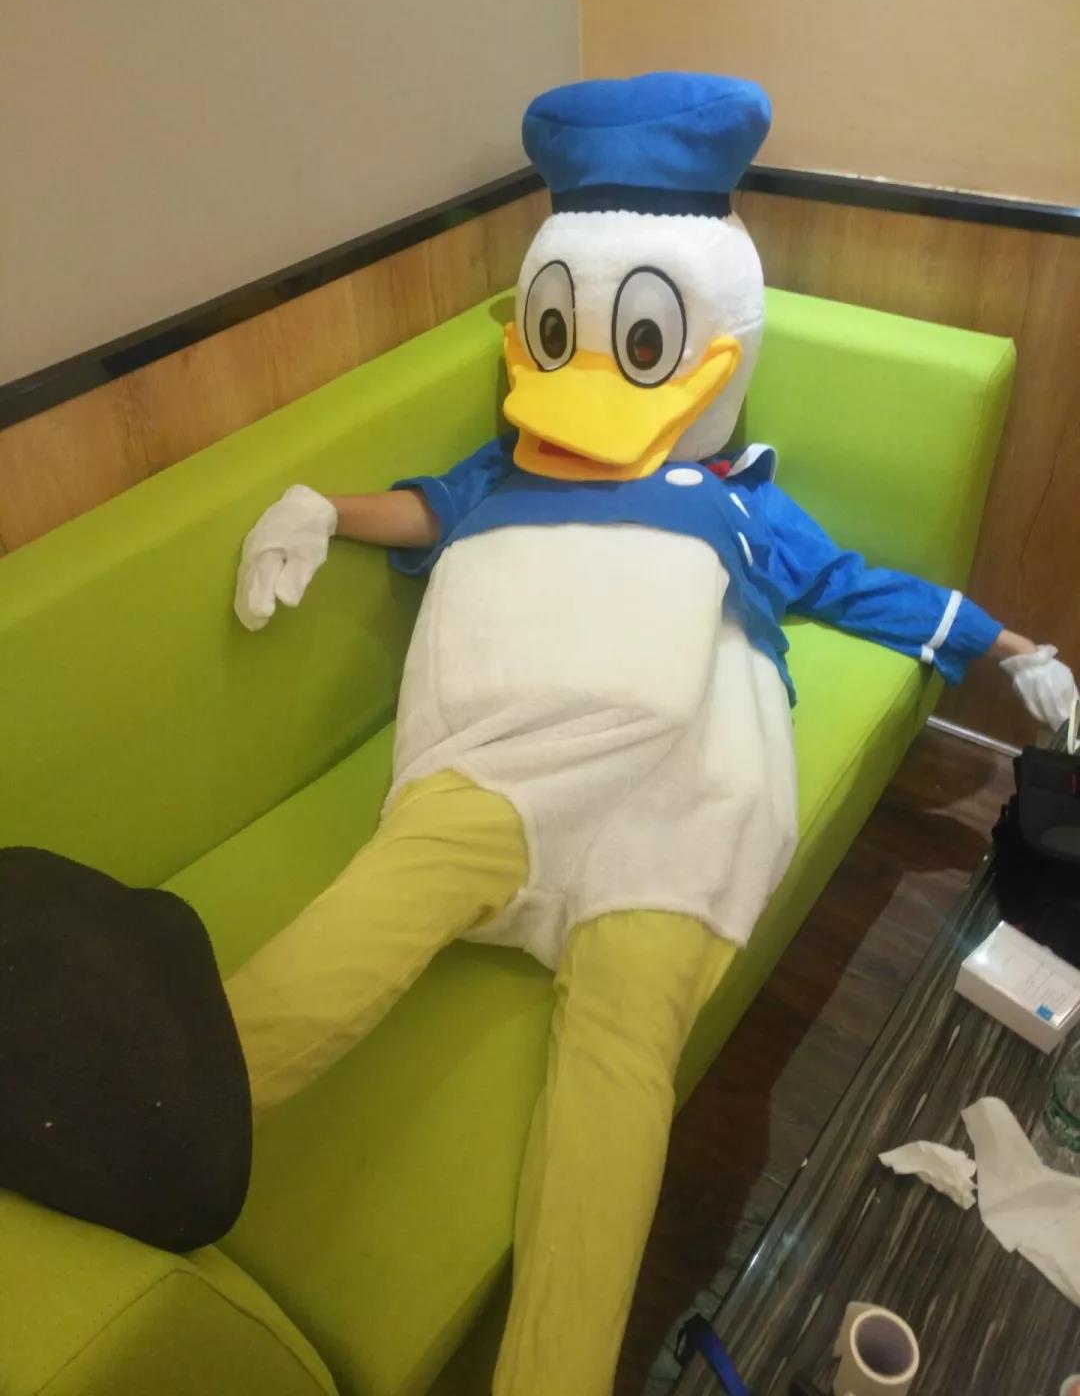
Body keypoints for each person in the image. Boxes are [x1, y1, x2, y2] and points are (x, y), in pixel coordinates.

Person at [228, 73, 1077, 1396]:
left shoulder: (737, 502)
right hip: (503, 760)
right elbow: (429, 507)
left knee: (617, 1069)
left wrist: (1012, 648)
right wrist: (324, 511)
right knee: (364, 919)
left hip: (674, 794)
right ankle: (140, 1111)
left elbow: (860, 586)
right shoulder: (506, 468)